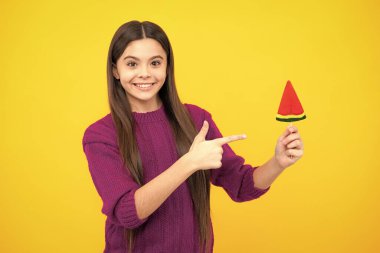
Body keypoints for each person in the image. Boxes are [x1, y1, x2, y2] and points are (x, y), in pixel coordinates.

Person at [82, 20, 304, 253]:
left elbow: (241, 185)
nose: (145, 73)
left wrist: (278, 162)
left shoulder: (196, 120)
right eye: (132, 64)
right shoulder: (100, 135)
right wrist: (189, 163)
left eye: (155, 63)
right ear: (116, 70)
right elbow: (127, 213)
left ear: (167, 67)